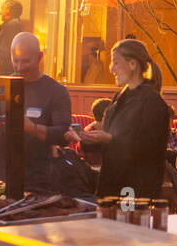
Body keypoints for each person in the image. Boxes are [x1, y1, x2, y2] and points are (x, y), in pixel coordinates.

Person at [0, 32, 73, 193]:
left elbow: (63, 135)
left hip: (37, 180)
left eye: (26, 61)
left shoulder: (56, 91)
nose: (20, 67)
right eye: (16, 61)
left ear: (40, 57)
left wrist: (32, 128)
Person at [69, 39, 170, 200]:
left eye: (116, 63)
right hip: (112, 186)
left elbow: (148, 148)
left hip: (135, 191)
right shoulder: (119, 98)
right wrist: (85, 139)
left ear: (132, 64)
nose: (111, 69)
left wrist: (110, 140)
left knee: (128, 224)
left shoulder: (152, 102)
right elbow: (109, 140)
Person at [0, 0, 28, 75]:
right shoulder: (11, 25)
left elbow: (5, 52)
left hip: (5, 72)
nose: (0, 13)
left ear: (8, 10)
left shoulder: (13, 25)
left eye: (2, 9)